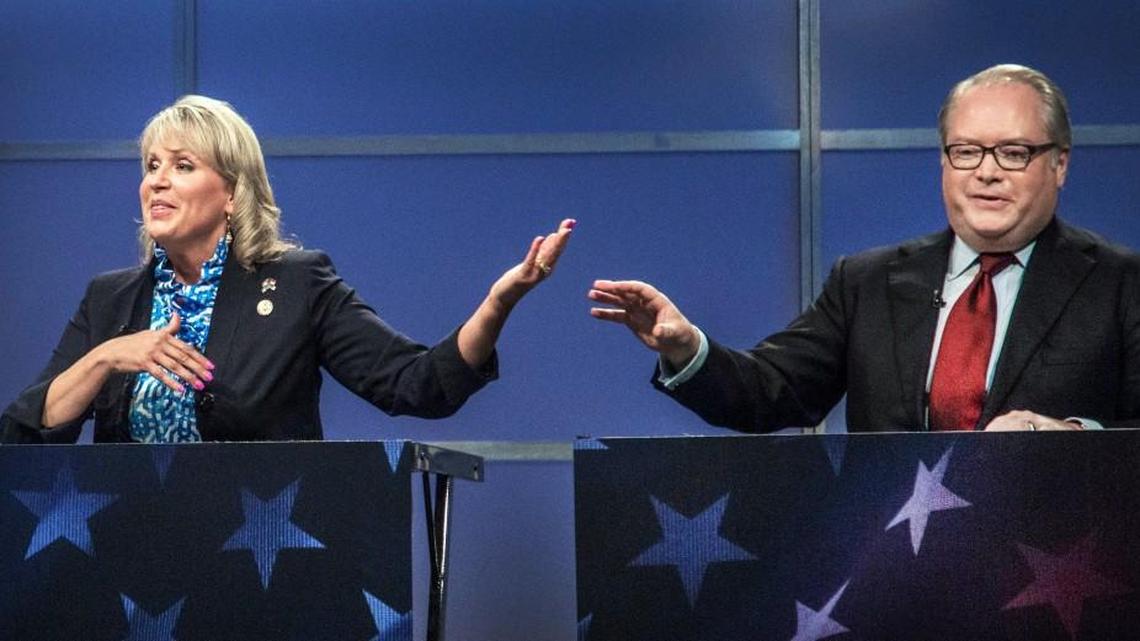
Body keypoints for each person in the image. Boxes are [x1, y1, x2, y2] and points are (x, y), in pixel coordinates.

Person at [590, 64, 1140, 433]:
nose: (986, 172)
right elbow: (772, 391)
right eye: (966, 151)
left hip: (1059, 565)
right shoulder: (866, 283)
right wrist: (688, 347)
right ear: (944, 162)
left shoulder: (1122, 285)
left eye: (1014, 153)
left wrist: (1074, 436)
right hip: (892, 561)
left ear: (1059, 164)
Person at [1, 95, 574, 443]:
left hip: (259, 549)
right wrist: (105, 357)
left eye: (183, 166)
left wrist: (499, 303)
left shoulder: (298, 284)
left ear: (231, 194)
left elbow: (418, 386)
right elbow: (24, 431)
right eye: (152, 166)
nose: (157, 181)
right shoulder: (110, 299)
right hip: (129, 553)